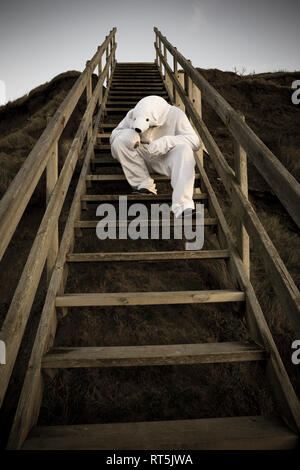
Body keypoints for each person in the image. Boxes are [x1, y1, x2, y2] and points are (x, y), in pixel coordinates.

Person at [110, 95, 201, 218]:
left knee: (185, 150)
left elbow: (195, 142)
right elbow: (114, 138)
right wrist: (128, 134)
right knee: (120, 141)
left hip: (165, 159)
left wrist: (167, 142)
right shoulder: (132, 114)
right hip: (140, 158)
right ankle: (144, 185)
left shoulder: (175, 114)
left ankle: (183, 206)